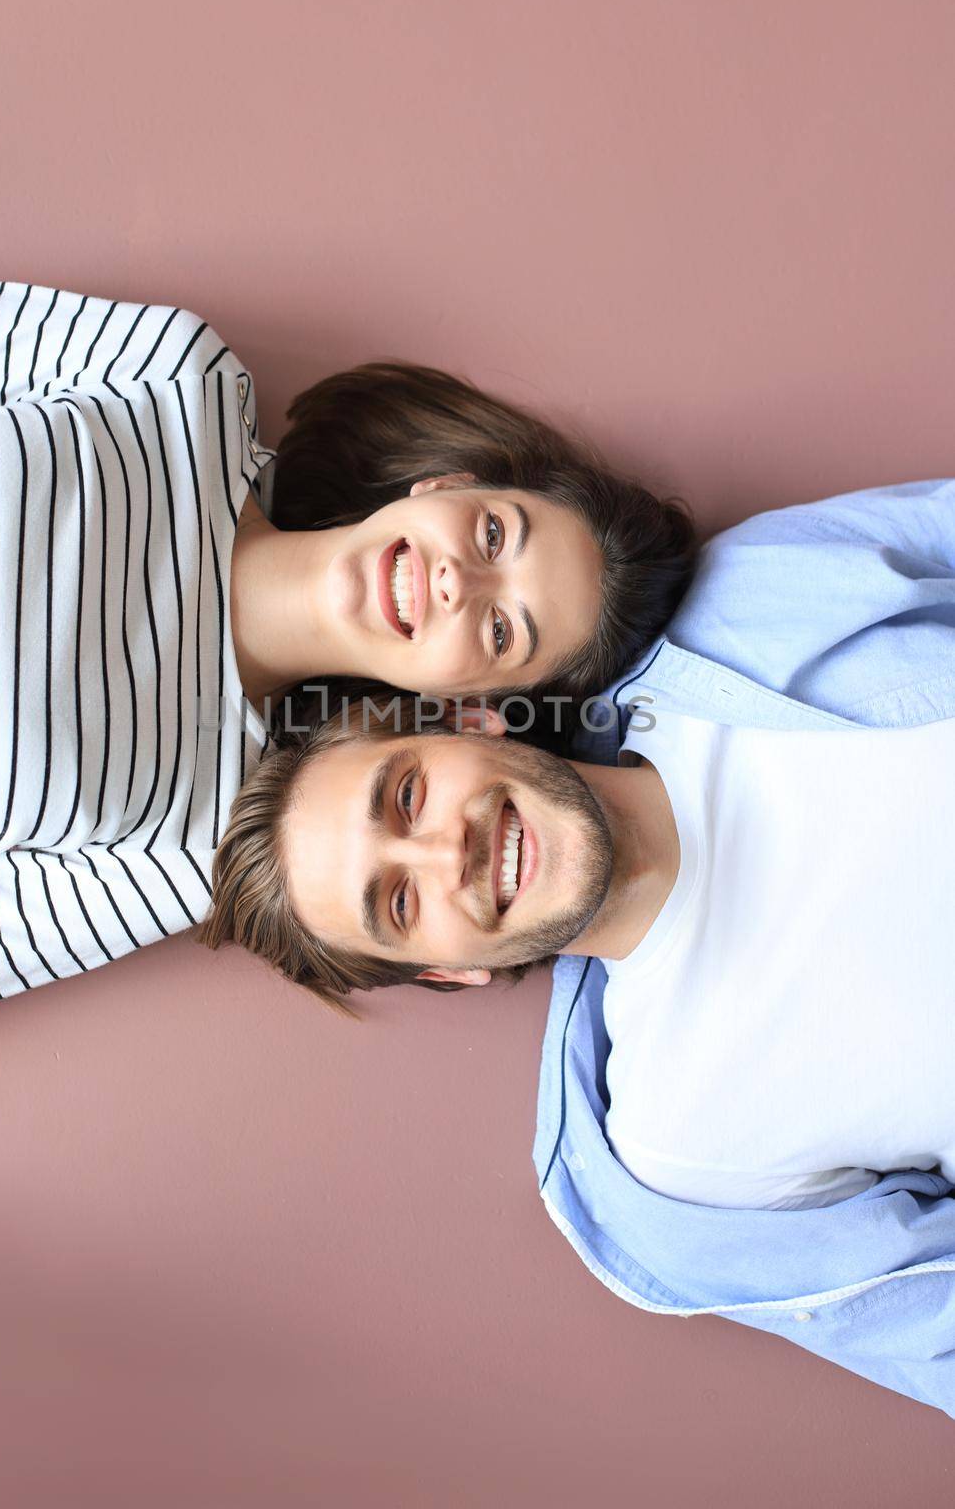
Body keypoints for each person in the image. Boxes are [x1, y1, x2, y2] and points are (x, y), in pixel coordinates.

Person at [204, 476, 955, 1418]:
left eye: (406, 797)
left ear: (466, 718)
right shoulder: (678, 1164)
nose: (448, 851)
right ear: (451, 971)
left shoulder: (757, 596)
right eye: (399, 901)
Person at [0, 276, 693, 1031]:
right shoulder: (176, 375)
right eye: (494, 534)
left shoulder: (202, 839)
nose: (458, 581)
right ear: (446, 486)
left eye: (500, 631)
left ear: (468, 706)